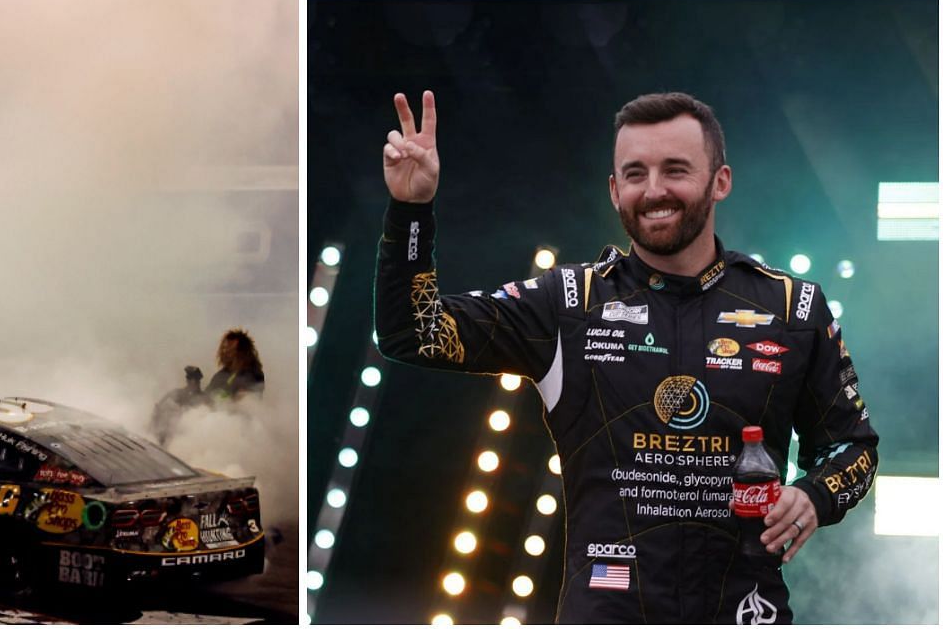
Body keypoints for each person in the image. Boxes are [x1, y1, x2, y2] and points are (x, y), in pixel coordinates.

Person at [374, 91, 878, 623]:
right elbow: (412, 333)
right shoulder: (569, 303)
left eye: (675, 170)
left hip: (747, 613)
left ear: (720, 181)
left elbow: (855, 448)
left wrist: (815, 497)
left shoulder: (792, 309)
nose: (654, 190)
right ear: (615, 191)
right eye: (635, 174)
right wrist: (411, 210)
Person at [205, 328, 266, 401]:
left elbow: (248, 400)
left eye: (230, 349)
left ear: (243, 352)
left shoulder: (253, 374)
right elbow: (205, 397)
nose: (225, 352)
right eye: (224, 348)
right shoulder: (221, 375)